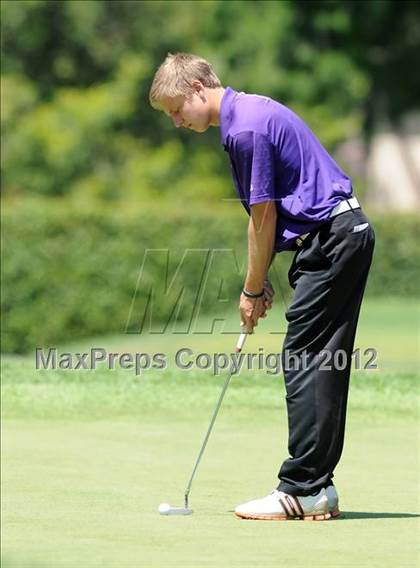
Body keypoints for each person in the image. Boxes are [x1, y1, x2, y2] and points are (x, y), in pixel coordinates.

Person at [149, 53, 375, 521]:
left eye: (175, 109)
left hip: (332, 238)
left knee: (306, 359)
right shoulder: (246, 114)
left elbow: (263, 217)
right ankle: (318, 487)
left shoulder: (244, 129)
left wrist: (252, 290)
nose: (175, 121)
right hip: (338, 237)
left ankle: (303, 488)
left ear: (196, 88)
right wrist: (261, 279)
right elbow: (270, 218)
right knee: (320, 361)